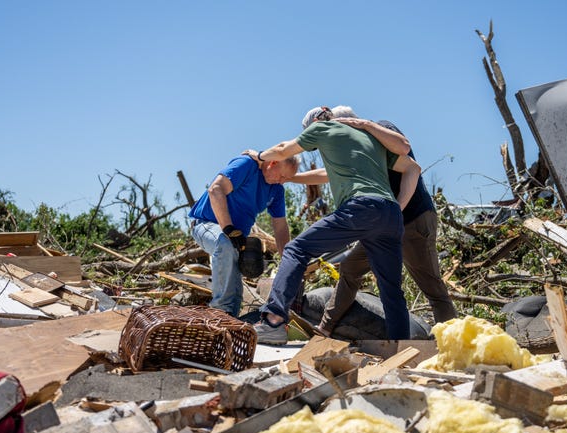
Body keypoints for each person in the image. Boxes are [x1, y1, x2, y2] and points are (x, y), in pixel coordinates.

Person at [251, 106, 421, 344]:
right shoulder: (368, 139)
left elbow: (282, 150)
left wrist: (258, 156)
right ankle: (403, 349)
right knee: (391, 289)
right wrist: (398, 205)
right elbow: (413, 166)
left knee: (296, 249)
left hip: (360, 208)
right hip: (390, 215)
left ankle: (273, 321)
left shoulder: (322, 128)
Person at [294, 106, 457, 337]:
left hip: (412, 220)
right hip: (385, 225)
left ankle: (450, 344)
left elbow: (411, 165)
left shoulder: (381, 130)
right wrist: (290, 177)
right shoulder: (354, 150)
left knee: (431, 287)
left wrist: (397, 210)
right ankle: (325, 329)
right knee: (351, 267)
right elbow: (326, 174)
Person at [188, 154, 299, 317]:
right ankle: (219, 312)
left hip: (235, 238)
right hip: (206, 224)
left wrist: (287, 260)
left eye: (286, 179)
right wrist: (228, 228)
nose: (282, 181)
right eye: (282, 176)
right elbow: (215, 190)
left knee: (236, 268)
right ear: (273, 163)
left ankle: (231, 317)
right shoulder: (247, 165)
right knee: (224, 244)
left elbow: (280, 226)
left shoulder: (276, 190)